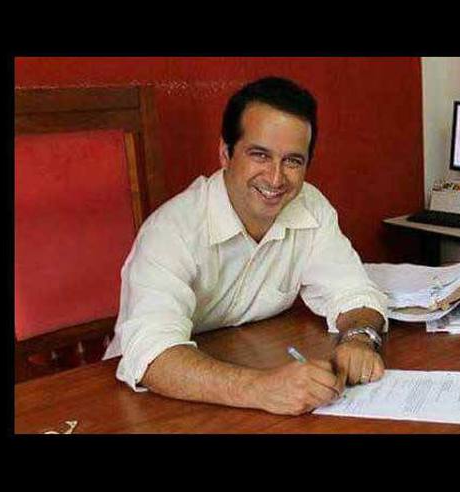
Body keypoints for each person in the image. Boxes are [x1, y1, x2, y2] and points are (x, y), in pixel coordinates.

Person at [104, 76, 388, 416]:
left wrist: (359, 338)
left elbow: (353, 292)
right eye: (260, 155)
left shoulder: (311, 207)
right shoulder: (171, 230)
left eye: (292, 161)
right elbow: (152, 356)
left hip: (245, 378)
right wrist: (262, 389)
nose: (275, 178)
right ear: (225, 154)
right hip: (148, 404)